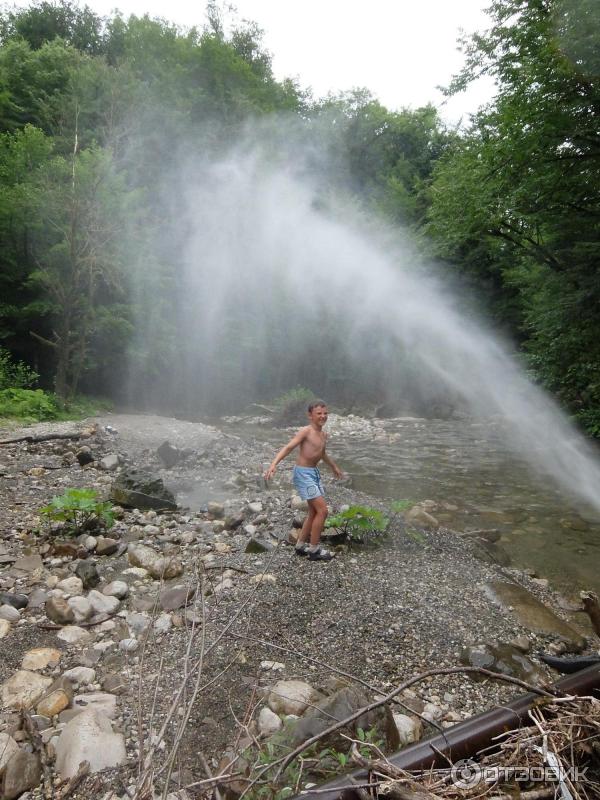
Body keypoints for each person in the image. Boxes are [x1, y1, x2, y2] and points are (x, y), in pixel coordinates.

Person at [265, 400, 343, 561]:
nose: (323, 416)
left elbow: (322, 454)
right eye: (319, 414)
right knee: (323, 511)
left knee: (314, 511)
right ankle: (314, 550)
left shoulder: (323, 434)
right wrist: (273, 464)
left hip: (313, 473)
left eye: (325, 413)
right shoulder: (306, 431)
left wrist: (334, 467)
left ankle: (300, 545)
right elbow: (288, 447)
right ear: (310, 416)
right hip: (303, 474)